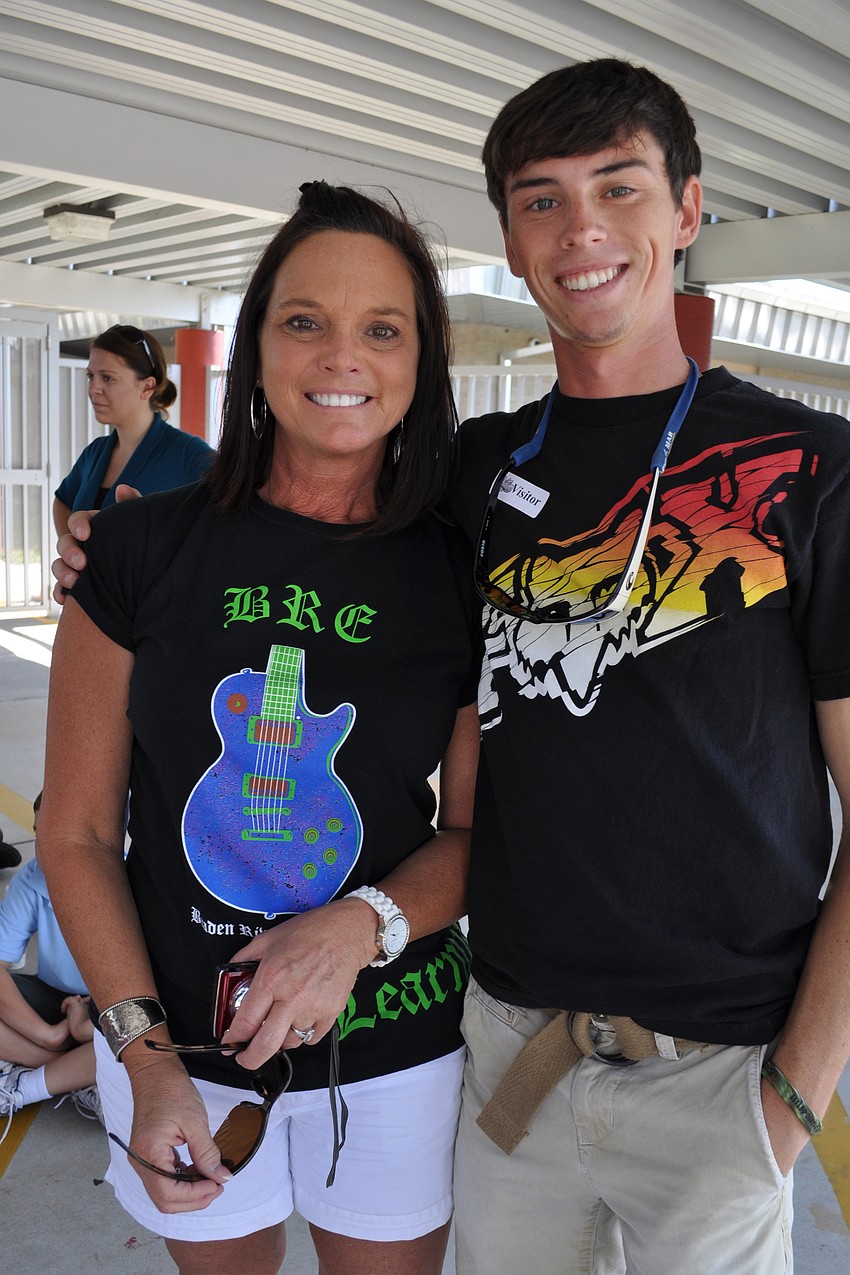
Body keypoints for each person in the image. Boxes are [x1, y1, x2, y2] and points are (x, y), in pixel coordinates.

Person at [445, 58, 850, 1274]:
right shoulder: (472, 467)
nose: (581, 232)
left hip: (722, 1081)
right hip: (509, 1059)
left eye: (617, 188)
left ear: (685, 210)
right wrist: (137, 537)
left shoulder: (807, 466)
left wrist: (793, 1099)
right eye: (541, 199)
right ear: (511, 239)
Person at [40, 181, 480, 1275]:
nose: (342, 356)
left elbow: (477, 834)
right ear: (254, 347)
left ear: (420, 361)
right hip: (177, 1044)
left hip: (392, 1042)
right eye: (304, 322)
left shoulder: (461, 572)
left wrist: (360, 924)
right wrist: (142, 1060)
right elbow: (77, 833)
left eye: (382, 329)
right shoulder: (138, 553)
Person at [0, 792, 99, 1143]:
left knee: (139, 1035)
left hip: (114, 1002)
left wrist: (86, 1023)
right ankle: (74, 1075)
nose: (42, 847)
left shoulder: (136, 881)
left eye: (53, 833)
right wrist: (50, 1034)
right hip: (57, 1000)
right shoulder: (33, 878)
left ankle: (29, 1085)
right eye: (37, 831)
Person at [53, 323, 214, 536]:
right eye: (91, 376)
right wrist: (73, 553)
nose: (93, 389)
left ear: (147, 386)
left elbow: (232, 515)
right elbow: (63, 501)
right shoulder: (95, 453)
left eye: (108, 377)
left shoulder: (189, 454)